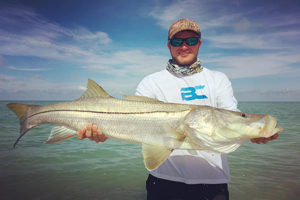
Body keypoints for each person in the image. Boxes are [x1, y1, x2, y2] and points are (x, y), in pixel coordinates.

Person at [78, 19, 279, 200]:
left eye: (191, 41)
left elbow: (229, 119)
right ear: (169, 45)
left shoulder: (218, 79)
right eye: (177, 41)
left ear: (199, 43)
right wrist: (103, 132)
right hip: (163, 182)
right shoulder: (151, 82)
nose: (184, 46)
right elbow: (136, 127)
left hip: (213, 183)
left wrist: (249, 133)